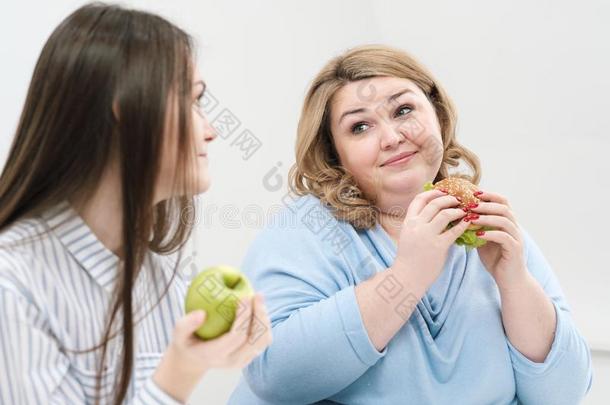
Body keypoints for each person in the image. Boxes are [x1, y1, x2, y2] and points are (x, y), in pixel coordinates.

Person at [228, 45, 593, 404]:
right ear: (334, 154)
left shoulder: (492, 230)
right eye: (360, 127)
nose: (391, 138)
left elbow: (563, 393)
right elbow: (272, 374)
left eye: (404, 110)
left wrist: (514, 280)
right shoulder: (304, 229)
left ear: (437, 116)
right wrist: (407, 276)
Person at [0, 3, 272, 404]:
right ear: (125, 107)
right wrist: (177, 376)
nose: (211, 131)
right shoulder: (12, 283)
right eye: (192, 101)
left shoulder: (161, 280)